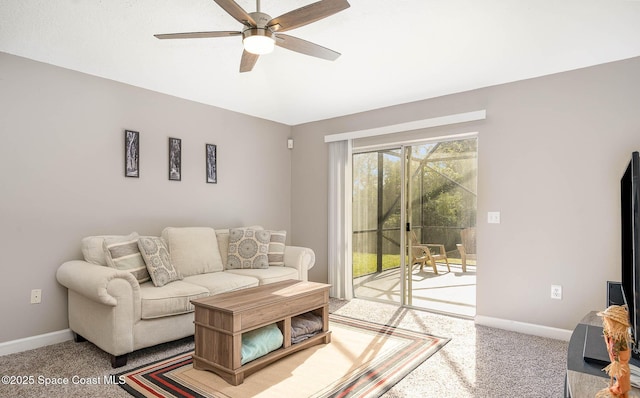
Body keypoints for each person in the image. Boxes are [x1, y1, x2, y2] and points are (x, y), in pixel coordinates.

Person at [597, 305, 633, 398]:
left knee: (622, 376)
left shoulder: (618, 338)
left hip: (620, 360)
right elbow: (612, 349)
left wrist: (616, 363)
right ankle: (619, 389)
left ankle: (621, 390)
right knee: (621, 376)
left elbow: (616, 351)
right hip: (618, 359)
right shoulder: (612, 335)